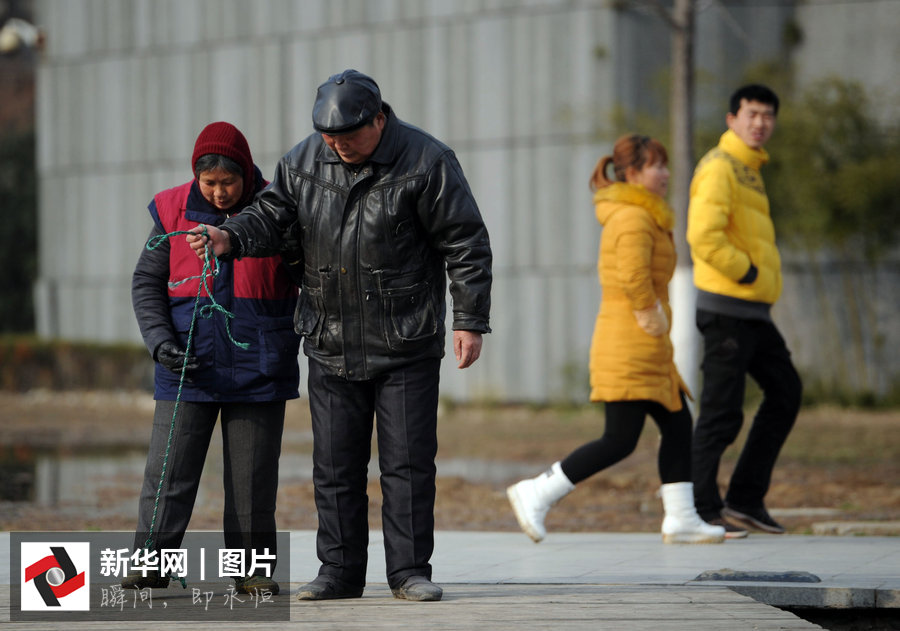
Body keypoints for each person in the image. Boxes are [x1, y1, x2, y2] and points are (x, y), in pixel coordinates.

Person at [188, 69, 492, 602]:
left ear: (378, 120)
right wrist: (229, 236)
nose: (338, 146)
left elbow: (465, 242)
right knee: (333, 468)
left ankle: (409, 572)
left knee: (407, 465)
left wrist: (469, 319)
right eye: (329, 138)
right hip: (329, 336)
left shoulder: (427, 161)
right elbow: (270, 217)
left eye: (347, 136)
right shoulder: (301, 163)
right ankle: (339, 572)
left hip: (405, 339)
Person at [507, 134, 725, 545]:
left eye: (664, 164)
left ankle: (681, 517)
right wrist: (651, 317)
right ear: (633, 173)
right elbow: (634, 277)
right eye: (656, 166)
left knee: (678, 422)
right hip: (629, 341)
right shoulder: (632, 218)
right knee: (619, 440)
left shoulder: (645, 216)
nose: (665, 173)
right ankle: (537, 491)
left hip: (645, 343)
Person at [124, 122, 301, 595]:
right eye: (210, 183)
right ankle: (149, 565)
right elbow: (146, 283)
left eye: (229, 182)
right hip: (186, 364)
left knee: (251, 483)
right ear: (195, 177)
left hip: (260, 365)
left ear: (246, 173)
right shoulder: (170, 210)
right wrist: (160, 342)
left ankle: (253, 573)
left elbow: (307, 276)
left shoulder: (276, 207)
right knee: (168, 474)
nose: (220, 193)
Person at [687, 84, 802, 537]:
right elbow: (704, 236)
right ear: (732, 118)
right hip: (727, 308)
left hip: (752, 311)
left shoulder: (749, 170)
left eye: (768, 115)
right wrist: (748, 271)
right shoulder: (720, 166)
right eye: (752, 114)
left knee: (786, 392)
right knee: (721, 412)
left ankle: (745, 500)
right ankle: (700, 510)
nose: (760, 123)